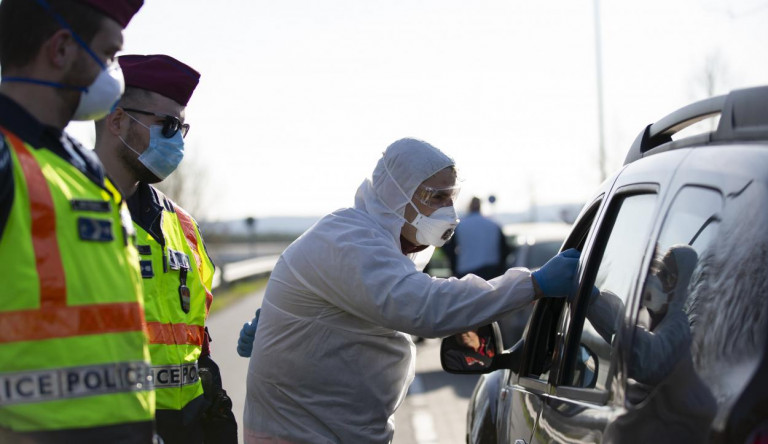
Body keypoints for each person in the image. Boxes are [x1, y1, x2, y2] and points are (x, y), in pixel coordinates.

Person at [237, 138, 580, 443]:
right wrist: (532, 284)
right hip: (299, 433)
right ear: (394, 194)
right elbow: (426, 307)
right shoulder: (351, 240)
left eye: (452, 196)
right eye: (436, 197)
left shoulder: (386, 242)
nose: (448, 210)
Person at [0, 0, 154, 442]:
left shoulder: (79, 166)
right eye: (108, 55)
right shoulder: (6, 159)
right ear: (62, 49)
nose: (113, 75)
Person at [93, 54, 237, 444]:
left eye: (183, 128)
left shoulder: (183, 226)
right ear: (117, 120)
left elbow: (195, 340)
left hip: (187, 428)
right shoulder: (60, 211)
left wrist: (213, 406)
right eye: (167, 125)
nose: (176, 141)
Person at [442, 196, 510, 279]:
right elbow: (504, 249)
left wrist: (454, 269)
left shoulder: (460, 226)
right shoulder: (494, 225)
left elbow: (449, 249)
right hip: (492, 271)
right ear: (480, 206)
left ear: (469, 206)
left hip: (466, 271)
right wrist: (500, 269)